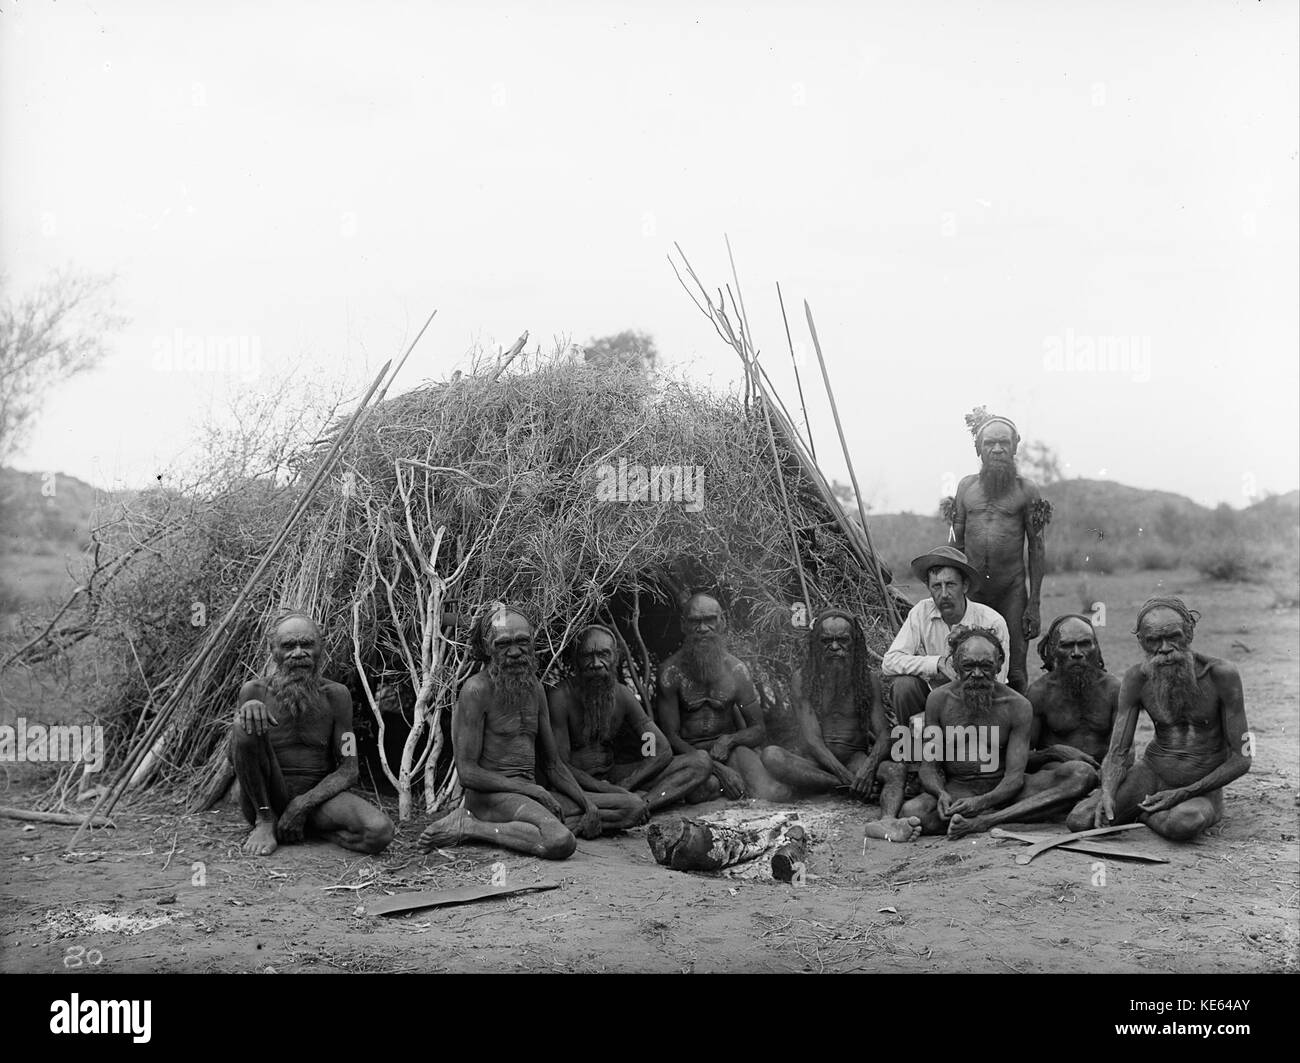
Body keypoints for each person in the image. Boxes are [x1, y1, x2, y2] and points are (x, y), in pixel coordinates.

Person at [417, 605, 599, 859]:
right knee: (560, 841)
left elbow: (554, 764)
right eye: (504, 644)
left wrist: (587, 804)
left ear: (533, 642)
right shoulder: (476, 691)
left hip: (527, 795)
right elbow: (468, 773)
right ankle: (471, 826)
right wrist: (532, 791)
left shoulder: (534, 686)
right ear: (488, 648)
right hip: (490, 798)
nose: (515, 652)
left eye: (522, 641)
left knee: (628, 808)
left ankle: (533, 826)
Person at [1067, 597, 1251, 840]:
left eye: (1173, 637)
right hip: (1152, 773)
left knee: (1185, 823)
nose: (1164, 648)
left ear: (1189, 633)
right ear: (1142, 642)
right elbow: (1118, 751)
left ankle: (1142, 813)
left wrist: (1184, 793)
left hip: (1200, 783)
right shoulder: (1137, 679)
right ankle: (1149, 811)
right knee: (1081, 820)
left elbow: (1242, 758)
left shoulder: (1221, 675)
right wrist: (1108, 792)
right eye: (1154, 641)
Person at [899, 626, 1097, 838]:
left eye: (986, 666)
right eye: (968, 666)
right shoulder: (938, 700)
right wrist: (940, 794)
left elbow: (1014, 778)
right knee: (912, 812)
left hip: (1006, 790)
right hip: (958, 791)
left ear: (1000, 664)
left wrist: (981, 803)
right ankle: (1021, 813)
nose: (977, 674)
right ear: (954, 664)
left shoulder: (1017, 706)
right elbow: (929, 767)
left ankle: (986, 820)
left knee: (1081, 774)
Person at [231, 612, 394, 856]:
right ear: (272, 650)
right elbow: (237, 756)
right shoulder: (254, 691)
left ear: (321, 647)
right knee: (243, 726)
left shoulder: (337, 696)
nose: (298, 653)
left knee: (379, 832)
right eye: (288, 646)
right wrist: (245, 713)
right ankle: (266, 823)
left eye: (306, 644)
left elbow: (349, 769)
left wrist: (302, 804)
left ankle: (308, 829)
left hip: (317, 798)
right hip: (266, 798)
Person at [761, 608, 919, 841]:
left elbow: (884, 734)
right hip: (814, 763)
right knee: (772, 755)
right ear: (816, 645)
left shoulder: (868, 679)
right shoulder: (802, 679)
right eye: (827, 641)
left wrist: (867, 770)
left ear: (854, 643)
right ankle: (844, 789)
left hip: (855, 758)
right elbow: (811, 741)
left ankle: (886, 821)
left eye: (842, 640)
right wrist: (848, 780)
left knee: (896, 770)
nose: (835, 647)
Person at [546, 624, 712, 816]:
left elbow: (658, 748)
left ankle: (641, 806)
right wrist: (607, 790)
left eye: (604, 654)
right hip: (577, 788)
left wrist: (627, 784)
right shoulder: (561, 697)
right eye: (587, 656)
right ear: (576, 660)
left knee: (700, 761)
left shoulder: (622, 696)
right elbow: (560, 765)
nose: (596, 663)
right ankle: (626, 806)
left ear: (615, 658)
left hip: (614, 779)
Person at [950, 409, 1050, 693]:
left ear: (1015, 447)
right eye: (989, 444)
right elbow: (955, 542)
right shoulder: (965, 487)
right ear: (978, 449)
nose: (997, 449)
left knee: (1015, 672)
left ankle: (1021, 736)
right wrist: (950, 590)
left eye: (1004, 443)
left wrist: (1035, 604)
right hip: (972, 592)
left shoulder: (1027, 490)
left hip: (1012, 592)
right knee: (965, 664)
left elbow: (1038, 547)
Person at [656, 593, 790, 802]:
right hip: (689, 757)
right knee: (707, 787)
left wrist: (729, 740)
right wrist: (715, 767)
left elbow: (758, 730)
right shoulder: (670, 673)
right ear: (683, 625)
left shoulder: (737, 670)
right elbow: (669, 738)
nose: (703, 629)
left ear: (722, 622)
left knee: (773, 792)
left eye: (710, 620)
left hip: (730, 751)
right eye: (695, 622)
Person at [882, 546, 1011, 722]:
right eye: (936, 586)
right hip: (934, 700)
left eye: (950, 584)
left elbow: (999, 681)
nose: (943, 594)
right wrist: (937, 663)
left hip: (979, 701)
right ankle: (915, 745)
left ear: (965, 586)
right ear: (928, 587)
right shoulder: (921, 612)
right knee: (903, 686)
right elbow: (890, 662)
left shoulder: (991, 622)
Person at [1026, 614, 1119, 768]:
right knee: (1079, 774)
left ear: (1096, 647)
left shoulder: (1113, 689)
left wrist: (1107, 781)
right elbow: (1021, 758)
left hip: (1106, 772)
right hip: (1060, 775)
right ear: (1053, 649)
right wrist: (1053, 753)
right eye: (1066, 645)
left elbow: (1125, 751)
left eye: (1084, 644)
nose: (1076, 652)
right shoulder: (1039, 692)